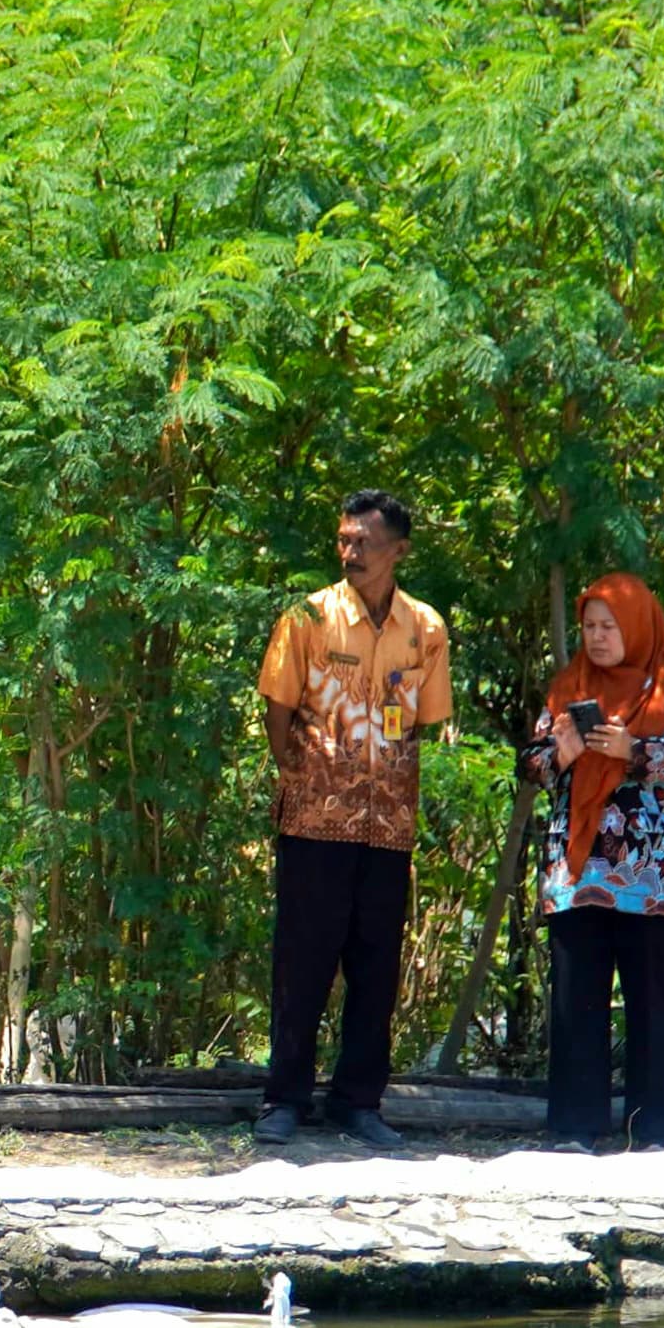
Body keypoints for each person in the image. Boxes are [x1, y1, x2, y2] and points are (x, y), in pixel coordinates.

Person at [254, 489, 453, 1152]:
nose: (349, 552)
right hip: (314, 818)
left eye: (363, 542)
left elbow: (424, 719)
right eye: (342, 540)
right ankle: (283, 1098)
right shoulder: (307, 616)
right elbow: (277, 708)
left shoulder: (424, 627)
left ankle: (357, 1101)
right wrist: (301, 769)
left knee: (375, 966)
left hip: (387, 822)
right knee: (302, 963)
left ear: (398, 550)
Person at [523, 570, 664, 1152]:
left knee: (651, 998)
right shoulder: (568, 685)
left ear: (637, 624)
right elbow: (530, 764)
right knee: (576, 995)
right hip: (577, 867)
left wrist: (636, 752)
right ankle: (576, 1127)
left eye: (609, 626)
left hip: (651, 867)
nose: (598, 637)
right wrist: (561, 751)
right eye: (589, 626)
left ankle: (649, 1127)